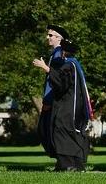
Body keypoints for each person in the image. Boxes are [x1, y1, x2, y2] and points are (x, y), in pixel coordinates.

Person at [34, 39, 92, 171]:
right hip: (74, 106)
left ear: (63, 52)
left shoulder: (68, 66)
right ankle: (76, 165)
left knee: (61, 133)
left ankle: (68, 165)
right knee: (73, 134)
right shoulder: (75, 64)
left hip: (67, 107)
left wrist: (47, 69)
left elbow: (61, 83)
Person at [35, 24, 67, 159]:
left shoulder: (59, 54)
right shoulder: (54, 54)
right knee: (45, 130)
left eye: (50, 35)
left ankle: (61, 160)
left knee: (48, 130)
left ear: (59, 38)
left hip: (54, 100)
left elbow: (59, 78)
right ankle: (59, 159)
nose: (47, 37)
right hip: (51, 99)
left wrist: (44, 67)